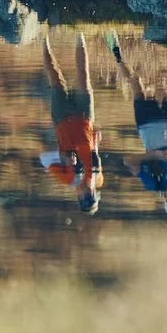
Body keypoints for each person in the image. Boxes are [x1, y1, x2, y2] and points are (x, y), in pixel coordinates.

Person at [110, 33, 167, 219]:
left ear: (166, 200)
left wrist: (153, 155)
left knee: (135, 84)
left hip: (147, 125)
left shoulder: (152, 183)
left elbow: (128, 161)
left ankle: (117, 55)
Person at [37, 32, 103, 214]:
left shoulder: (67, 178)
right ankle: (80, 33)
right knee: (84, 76)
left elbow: (43, 159)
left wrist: (64, 157)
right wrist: (96, 145)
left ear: (79, 197)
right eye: (93, 198)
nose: (90, 194)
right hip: (85, 119)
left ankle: (44, 36)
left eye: (86, 198)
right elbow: (94, 156)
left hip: (62, 121)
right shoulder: (98, 180)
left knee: (55, 76)